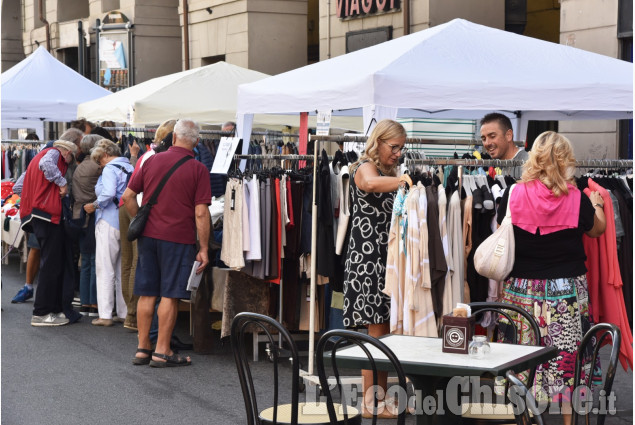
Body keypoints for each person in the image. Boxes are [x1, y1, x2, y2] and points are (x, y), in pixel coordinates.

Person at [495, 131, 606, 425]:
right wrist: (597, 204)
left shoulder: (513, 193)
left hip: (522, 290)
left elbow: (501, 228)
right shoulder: (577, 199)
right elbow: (597, 230)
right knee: (568, 358)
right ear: (564, 160)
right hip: (566, 291)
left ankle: (527, 419)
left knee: (523, 357)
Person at [122, 118, 211, 367]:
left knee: (147, 293)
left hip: (148, 236)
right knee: (169, 295)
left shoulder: (151, 160)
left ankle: (143, 349)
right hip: (178, 238)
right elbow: (201, 213)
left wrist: (139, 219)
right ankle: (163, 351)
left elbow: (128, 196)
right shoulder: (198, 169)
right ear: (197, 143)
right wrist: (203, 248)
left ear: (173, 137)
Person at [342, 119, 411, 418]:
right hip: (367, 261)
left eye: (401, 149)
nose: (397, 153)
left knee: (382, 332)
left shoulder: (389, 173)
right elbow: (369, 184)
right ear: (379, 141)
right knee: (375, 332)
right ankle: (371, 403)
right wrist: (405, 181)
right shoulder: (363, 167)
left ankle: (378, 401)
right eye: (393, 147)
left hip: (385, 261)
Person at [119, 120, 175, 332]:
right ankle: (133, 316)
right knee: (137, 263)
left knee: (128, 262)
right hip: (138, 205)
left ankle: (130, 314)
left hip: (128, 205)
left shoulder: (148, 154)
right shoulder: (158, 156)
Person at [20, 140, 78, 326]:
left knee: (50, 263)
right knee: (50, 265)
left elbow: (18, 187)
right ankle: (41, 313)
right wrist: (61, 184)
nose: (68, 163)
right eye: (71, 158)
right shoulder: (53, 153)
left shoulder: (37, 157)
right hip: (47, 216)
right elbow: (47, 165)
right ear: (67, 152)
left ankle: (48, 310)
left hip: (38, 215)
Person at [84, 140, 134, 326]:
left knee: (105, 267)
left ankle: (105, 314)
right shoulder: (129, 166)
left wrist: (94, 205)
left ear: (105, 155)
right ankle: (124, 311)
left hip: (108, 219)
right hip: (126, 220)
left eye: (99, 160)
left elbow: (108, 193)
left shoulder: (109, 169)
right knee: (123, 267)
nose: (99, 164)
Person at [72, 135, 103, 316]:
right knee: (93, 261)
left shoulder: (79, 167)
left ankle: (85, 302)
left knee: (85, 262)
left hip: (79, 215)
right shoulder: (96, 167)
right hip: (91, 215)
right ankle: (93, 302)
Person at [11, 133, 41, 303]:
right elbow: (17, 187)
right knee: (37, 249)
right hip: (41, 214)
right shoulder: (36, 165)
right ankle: (30, 286)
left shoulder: (35, 163)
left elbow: (17, 187)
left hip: (37, 214)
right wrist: (33, 199)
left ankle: (29, 287)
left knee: (37, 250)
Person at [480, 112, 528, 178]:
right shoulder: (497, 164)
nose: (487, 143)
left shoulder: (528, 164)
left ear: (508, 135)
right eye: (484, 139)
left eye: (492, 136)